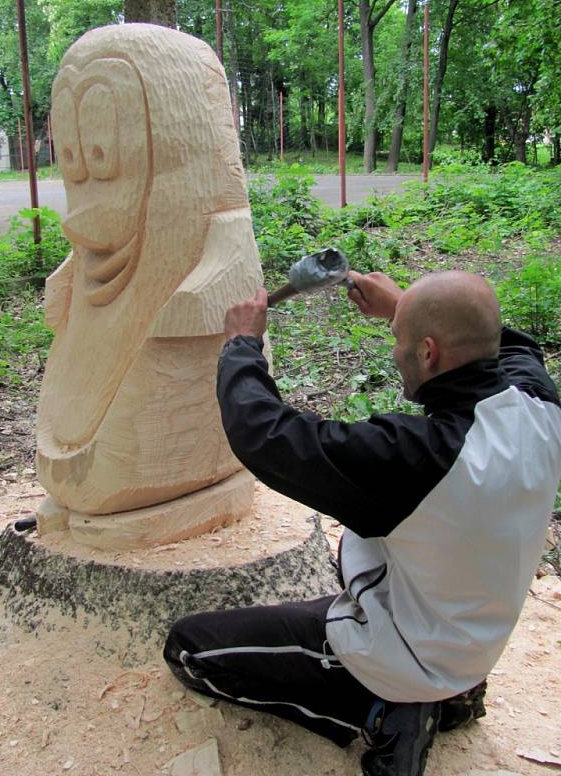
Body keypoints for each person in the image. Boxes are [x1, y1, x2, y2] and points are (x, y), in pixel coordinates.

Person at [164, 270, 561, 776]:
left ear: (428, 353)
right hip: (472, 638)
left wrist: (242, 345)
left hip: (397, 652)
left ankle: (385, 710)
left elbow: (266, 435)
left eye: (400, 341)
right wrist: (404, 307)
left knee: (190, 648)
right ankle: (453, 692)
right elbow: (515, 347)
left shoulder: (419, 460)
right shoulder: (539, 405)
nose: (395, 351)